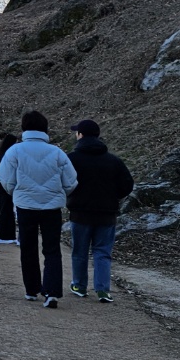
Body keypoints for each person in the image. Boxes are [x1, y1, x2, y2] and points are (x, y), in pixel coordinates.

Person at [0, 110, 77, 308]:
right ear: (45, 129)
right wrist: (58, 194)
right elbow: (71, 182)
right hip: (52, 208)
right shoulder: (57, 152)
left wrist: (17, 193)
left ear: (24, 128)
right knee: (52, 249)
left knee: (28, 248)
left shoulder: (14, 151)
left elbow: (5, 180)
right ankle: (52, 293)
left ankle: (31, 289)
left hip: (25, 206)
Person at [66, 119, 135, 303]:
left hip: (80, 212)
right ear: (97, 136)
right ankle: (103, 290)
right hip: (107, 214)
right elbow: (127, 184)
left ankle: (79, 286)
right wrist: (114, 196)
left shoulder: (72, 159)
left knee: (79, 251)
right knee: (102, 252)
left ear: (80, 135)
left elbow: (62, 181)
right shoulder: (113, 160)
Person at [0, 132, 20, 244]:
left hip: (1, 182)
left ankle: (6, 235)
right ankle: (5, 235)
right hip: (5, 183)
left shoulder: (2, 153)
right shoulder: (9, 154)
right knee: (7, 209)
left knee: (5, 209)